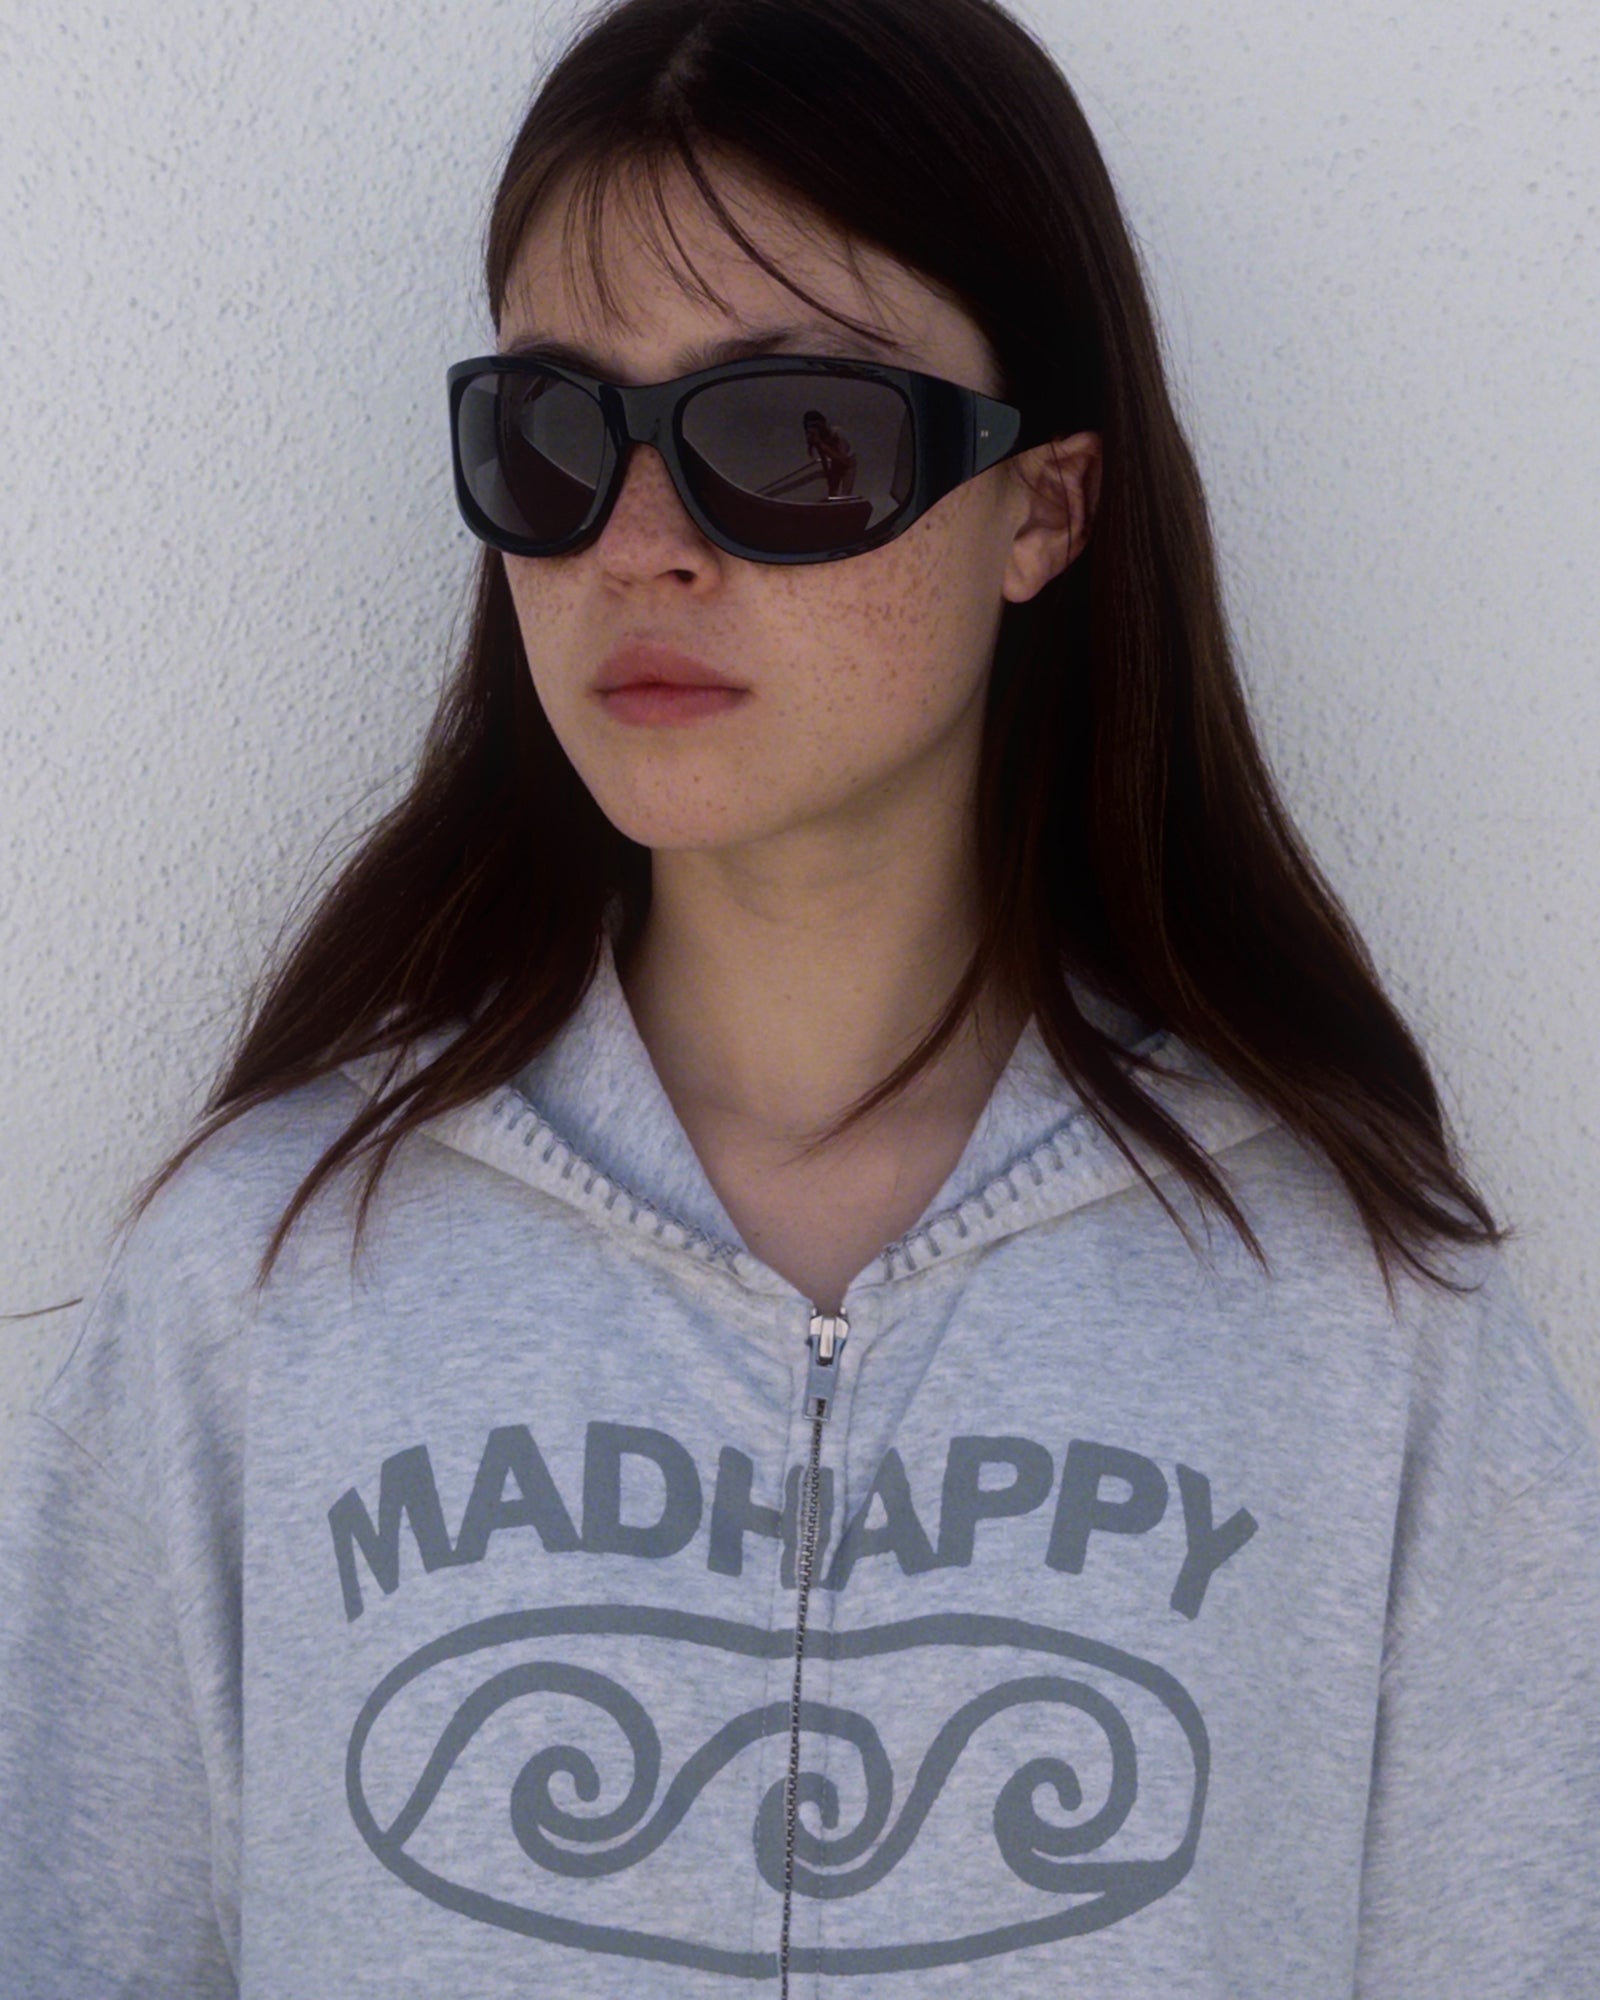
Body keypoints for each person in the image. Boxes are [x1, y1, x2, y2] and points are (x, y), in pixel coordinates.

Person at [2, 0, 1596, 1993]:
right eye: (553, 433)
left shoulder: (1358, 1317)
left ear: (1041, 509)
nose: (640, 547)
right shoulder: (257, 1281)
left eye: (792, 437)